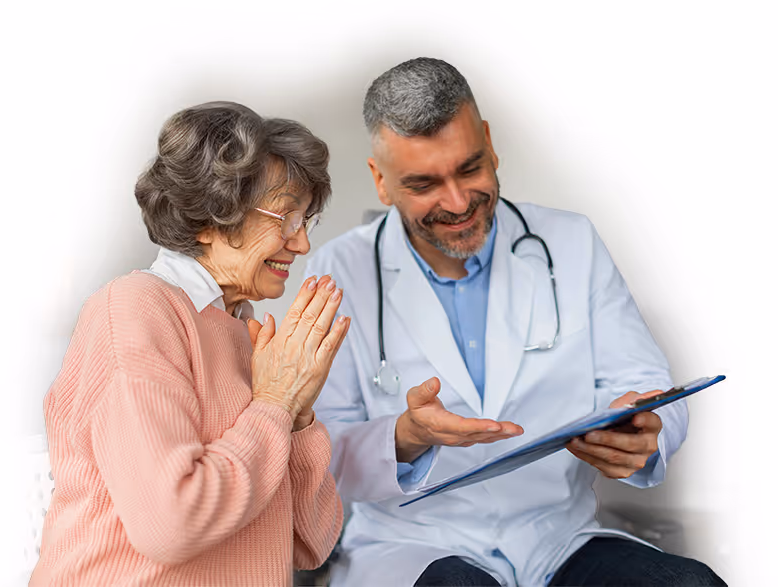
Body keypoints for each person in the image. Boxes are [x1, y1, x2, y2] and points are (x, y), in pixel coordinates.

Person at [305, 58, 725, 586]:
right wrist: (404, 437)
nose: (458, 202)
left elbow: (643, 383)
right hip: (414, 545)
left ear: (489, 142)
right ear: (381, 182)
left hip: (553, 536)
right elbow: (321, 450)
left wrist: (647, 427)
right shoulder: (338, 272)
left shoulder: (571, 243)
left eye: (470, 168)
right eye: (424, 183)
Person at [30, 101, 348, 586]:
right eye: (285, 220)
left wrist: (297, 411)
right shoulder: (136, 309)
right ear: (209, 217)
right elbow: (171, 521)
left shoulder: (246, 335)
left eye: (306, 222)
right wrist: (275, 404)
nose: (301, 244)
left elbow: (311, 542)